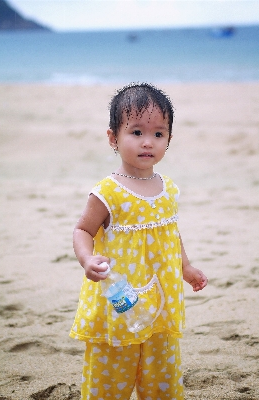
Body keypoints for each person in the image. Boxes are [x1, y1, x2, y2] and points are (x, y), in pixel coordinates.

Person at [69, 82, 208, 400]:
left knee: (162, 380)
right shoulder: (108, 191)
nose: (148, 142)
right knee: (110, 381)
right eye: (136, 132)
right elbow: (83, 231)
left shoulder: (168, 188)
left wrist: (186, 267)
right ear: (113, 138)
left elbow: (170, 233)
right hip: (120, 302)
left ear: (169, 140)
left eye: (158, 134)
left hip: (161, 302)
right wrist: (87, 260)